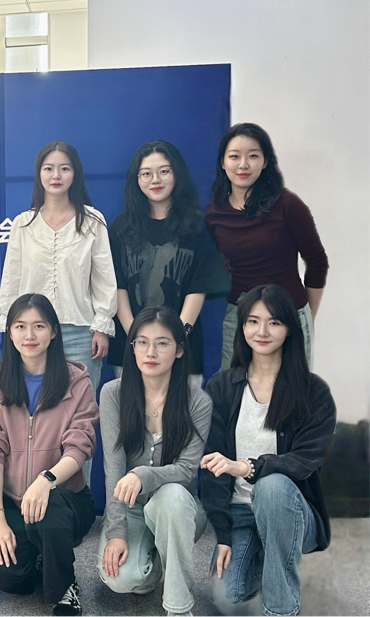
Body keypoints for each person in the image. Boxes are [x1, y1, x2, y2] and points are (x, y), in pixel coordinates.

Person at [200, 284, 336, 617]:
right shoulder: (222, 386)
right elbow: (213, 467)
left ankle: (280, 607)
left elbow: (303, 461)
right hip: (240, 514)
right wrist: (223, 535)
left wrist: (248, 467)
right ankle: (269, 556)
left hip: (292, 510)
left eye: (274, 322)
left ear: (289, 329)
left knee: (271, 486)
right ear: (242, 326)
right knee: (224, 597)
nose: (262, 331)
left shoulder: (313, 391)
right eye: (253, 321)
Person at [0, 293, 98, 617]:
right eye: (20, 326)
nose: (29, 335)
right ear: (9, 332)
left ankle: (64, 588)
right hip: (14, 503)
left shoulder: (76, 381)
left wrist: (46, 481)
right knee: (5, 575)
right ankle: (42, 555)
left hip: (65, 500)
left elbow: (79, 446)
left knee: (49, 512)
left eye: (39, 326)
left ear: (54, 331)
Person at [97, 307, 212, 617]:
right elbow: (113, 467)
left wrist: (143, 474)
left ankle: (178, 608)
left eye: (162, 343)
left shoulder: (198, 401)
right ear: (132, 346)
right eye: (142, 342)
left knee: (171, 496)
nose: (150, 352)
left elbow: (186, 472)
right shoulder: (113, 394)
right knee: (123, 579)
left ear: (179, 350)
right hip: (130, 507)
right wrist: (116, 532)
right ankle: (162, 561)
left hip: (177, 508)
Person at [205, 123, 328, 369]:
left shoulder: (287, 204)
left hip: (286, 312)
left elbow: (317, 262)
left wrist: (305, 316)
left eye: (253, 156)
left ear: (265, 162)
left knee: (290, 388)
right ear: (222, 163)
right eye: (234, 156)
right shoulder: (214, 214)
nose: (243, 165)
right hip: (239, 314)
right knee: (233, 386)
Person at [0, 141, 117, 391]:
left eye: (64, 169)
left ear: (75, 174)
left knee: (80, 404)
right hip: (32, 332)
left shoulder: (93, 221)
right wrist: (11, 324)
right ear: (39, 173)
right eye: (48, 168)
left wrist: (102, 327)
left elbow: (104, 278)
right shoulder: (23, 224)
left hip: (80, 333)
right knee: (34, 402)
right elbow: (11, 279)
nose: (56, 176)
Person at [109, 140, 224, 389]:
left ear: (176, 174)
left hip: (183, 345)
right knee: (133, 411)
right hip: (131, 346)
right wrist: (138, 339)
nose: (155, 180)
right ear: (136, 179)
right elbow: (118, 287)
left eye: (164, 171)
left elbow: (198, 287)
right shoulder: (120, 228)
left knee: (184, 412)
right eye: (146, 173)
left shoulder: (197, 226)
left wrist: (175, 339)